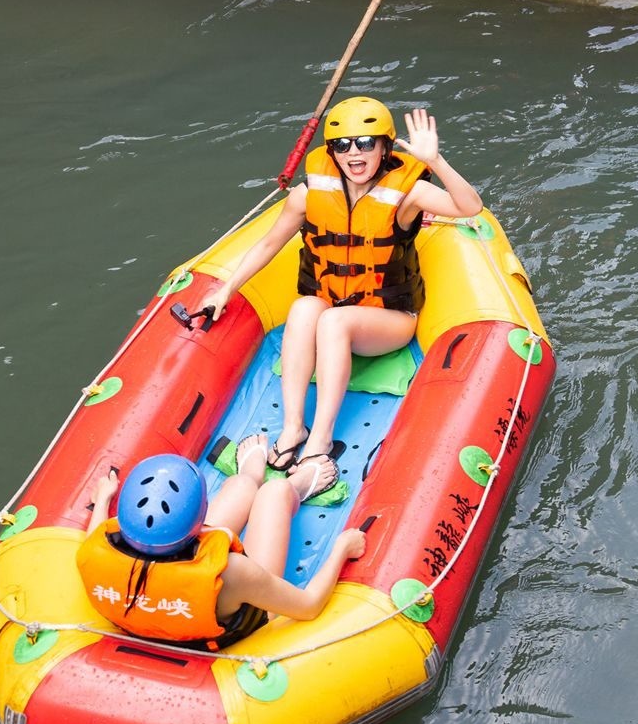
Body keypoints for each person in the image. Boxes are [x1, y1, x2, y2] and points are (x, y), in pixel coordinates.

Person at [194, 97, 484, 480]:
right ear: (331, 152)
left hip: (390, 320)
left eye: (366, 143)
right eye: (343, 145)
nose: (354, 153)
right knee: (304, 309)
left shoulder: (408, 195)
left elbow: (471, 207)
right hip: (335, 305)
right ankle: (294, 427)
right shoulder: (309, 194)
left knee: (332, 322)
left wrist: (436, 161)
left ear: (385, 148)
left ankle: (320, 443)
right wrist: (226, 290)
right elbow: (268, 244)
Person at [76, 451, 366, 647]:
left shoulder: (96, 549)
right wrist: (341, 549)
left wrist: (103, 499)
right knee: (274, 493)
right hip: (225, 629)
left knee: (241, 485)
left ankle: (251, 475)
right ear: (200, 521)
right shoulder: (232, 572)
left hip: (161, 613)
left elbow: (96, 534)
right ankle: (294, 486)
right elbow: (309, 606)